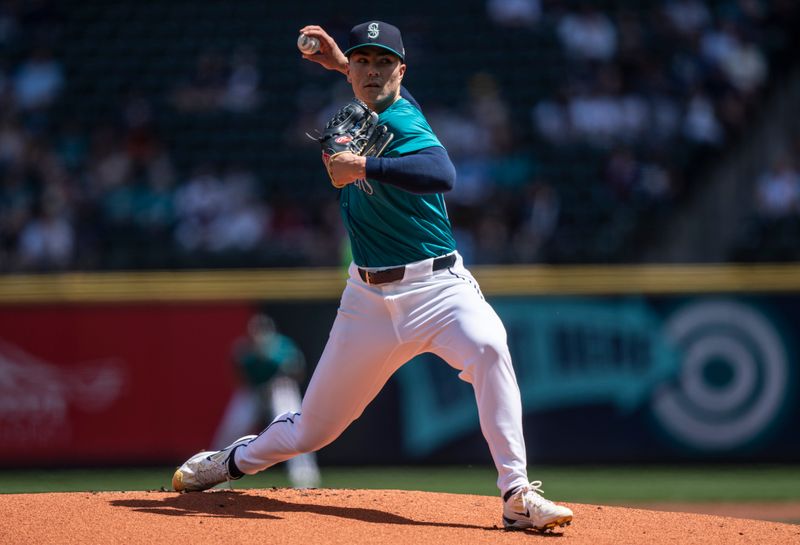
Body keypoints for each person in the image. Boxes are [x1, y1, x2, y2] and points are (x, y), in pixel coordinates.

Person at [172, 20, 573, 532]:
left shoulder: (405, 118)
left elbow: (442, 173)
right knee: (310, 432)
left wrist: (364, 166)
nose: (372, 70)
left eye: (384, 62)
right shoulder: (362, 105)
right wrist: (340, 64)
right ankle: (229, 463)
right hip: (366, 301)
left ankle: (516, 493)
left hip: (438, 290)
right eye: (363, 61)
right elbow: (366, 86)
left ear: (402, 71)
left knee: (490, 348)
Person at [210, 313, 320, 488]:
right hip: (253, 391)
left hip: (279, 388)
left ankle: (304, 476)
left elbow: (298, 372)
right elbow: (239, 375)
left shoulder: (283, 347)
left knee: (295, 428)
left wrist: (274, 361)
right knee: (232, 428)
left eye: (262, 331)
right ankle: (213, 471)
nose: (259, 335)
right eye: (256, 331)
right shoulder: (244, 350)